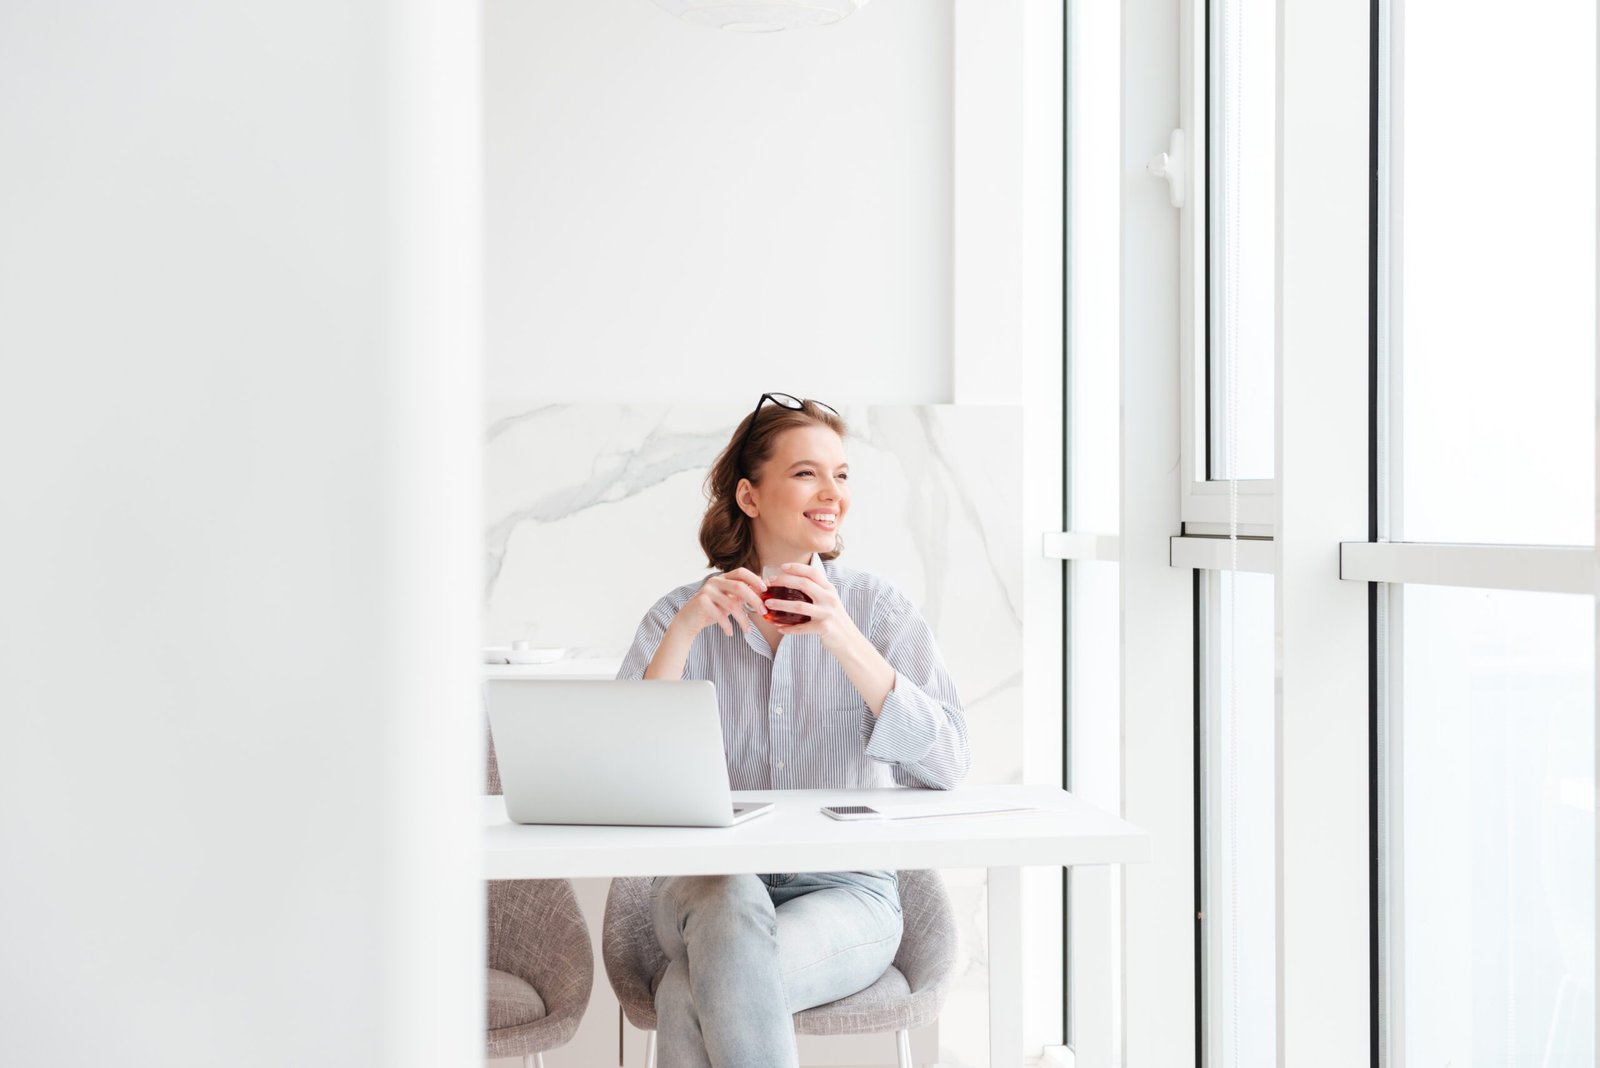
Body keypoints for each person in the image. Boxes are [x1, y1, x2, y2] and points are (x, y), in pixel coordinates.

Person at [617, 393, 970, 1068]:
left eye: (842, 474)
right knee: (726, 901)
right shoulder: (678, 616)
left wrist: (846, 642)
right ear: (749, 496)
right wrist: (686, 633)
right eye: (807, 473)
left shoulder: (877, 611)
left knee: (689, 992)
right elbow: (623, 772)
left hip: (847, 892)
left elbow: (949, 760)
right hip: (705, 885)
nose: (833, 493)